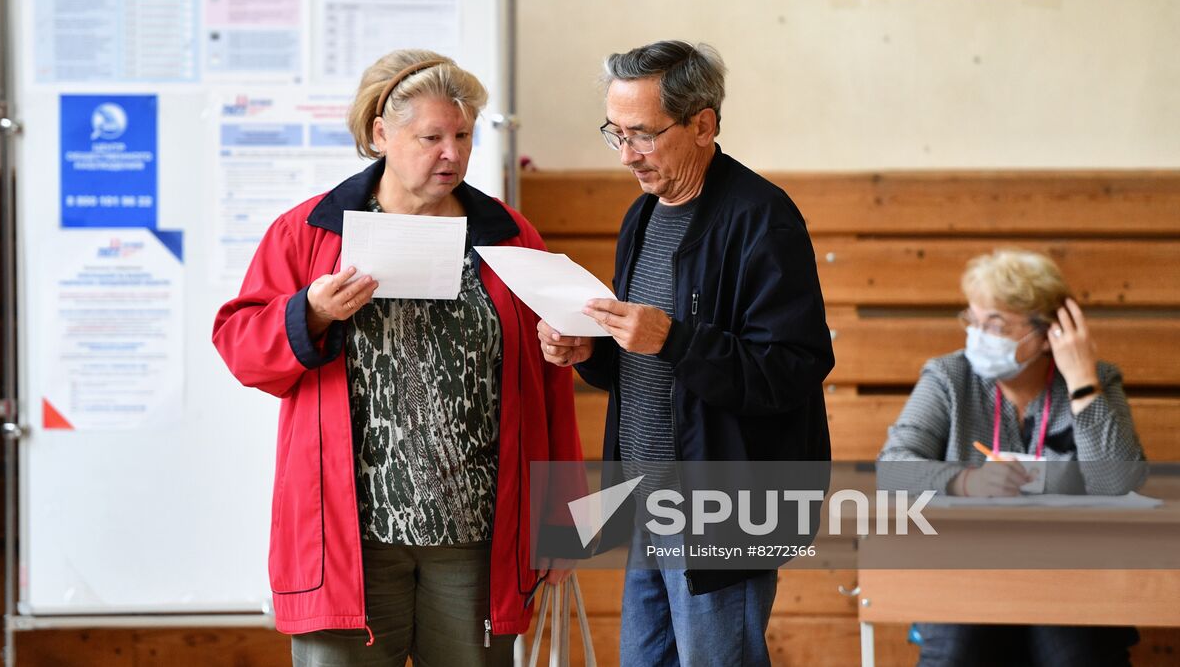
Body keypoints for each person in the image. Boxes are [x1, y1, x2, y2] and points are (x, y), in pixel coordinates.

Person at [212, 50, 583, 667]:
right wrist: (312, 312)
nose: (452, 155)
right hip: (348, 541)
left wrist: (563, 523)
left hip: (477, 541)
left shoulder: (509, 235)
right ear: (381, 133)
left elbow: (550, 387)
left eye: (463, 136)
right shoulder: (309, 233)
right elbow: (241, 347)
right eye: (431, 137)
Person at [540, 40, 835, 667]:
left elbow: (792, 368)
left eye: (643, 134)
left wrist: (673, 338)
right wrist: (588, 350)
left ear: (703, 123)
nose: (627, 156)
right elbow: (646, 364)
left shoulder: (763, 218)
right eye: (614, 133)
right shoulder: (641, 216)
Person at [878, 248, 1146, 666]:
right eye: (974, 320)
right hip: (965, 571)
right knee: (956, 653)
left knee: (1077, 656)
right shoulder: (950, 377)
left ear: (1046, 333)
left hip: (1070, 575)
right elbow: (893, 468)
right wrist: (965, 481)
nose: (978, 336)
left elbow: (1116, 482)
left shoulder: (1095, 380)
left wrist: (1081, 383)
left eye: (996, 324)